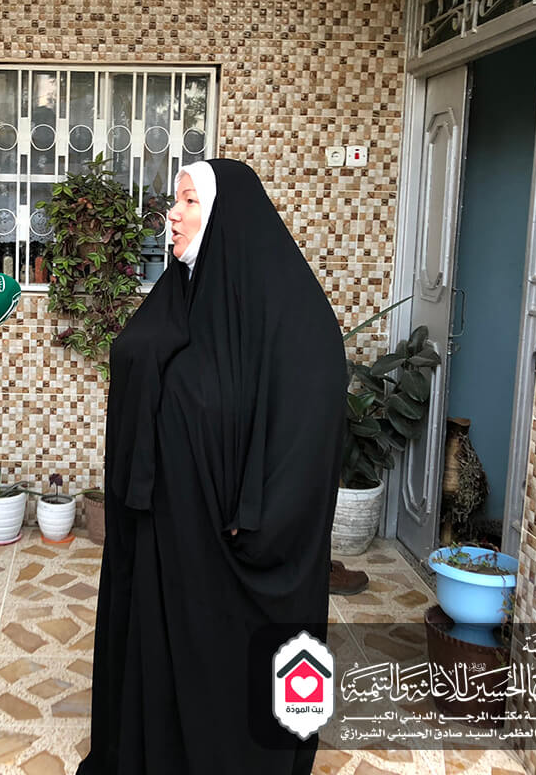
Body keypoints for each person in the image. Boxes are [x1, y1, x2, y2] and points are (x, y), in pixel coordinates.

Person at [77, 159, 346, 775]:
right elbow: (140, 357)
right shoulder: (183, 295)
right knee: (167, 651)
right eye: (175, 201)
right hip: (169, 527)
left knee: (224, 662)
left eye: (189, 201)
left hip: (235, 532)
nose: (172, 215)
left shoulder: (290, 315)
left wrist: (258, 514)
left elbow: (307, 427)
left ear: (227, 216)